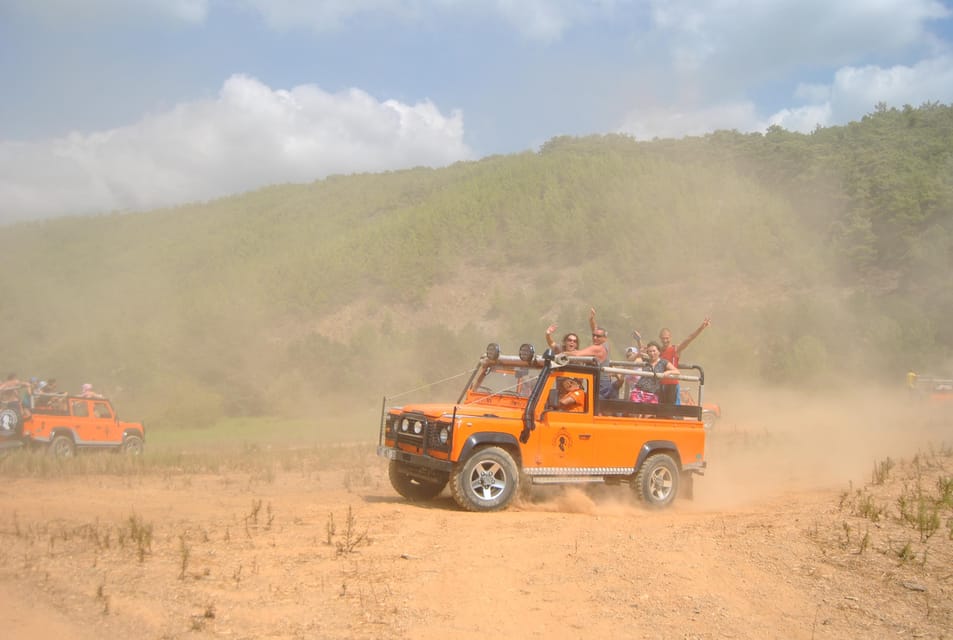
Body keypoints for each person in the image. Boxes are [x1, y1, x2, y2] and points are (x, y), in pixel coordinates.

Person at [658, 317, 710, 405]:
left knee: (673, 412)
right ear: (660, 338)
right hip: (660, 385)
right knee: (661, 411)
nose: (665, 340)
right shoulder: (657, 352)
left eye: (667, 338)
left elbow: (689, 338)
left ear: (670, 337)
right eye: (663, 338)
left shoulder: (676, 349)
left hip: (672, 385)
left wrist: (701, 328)